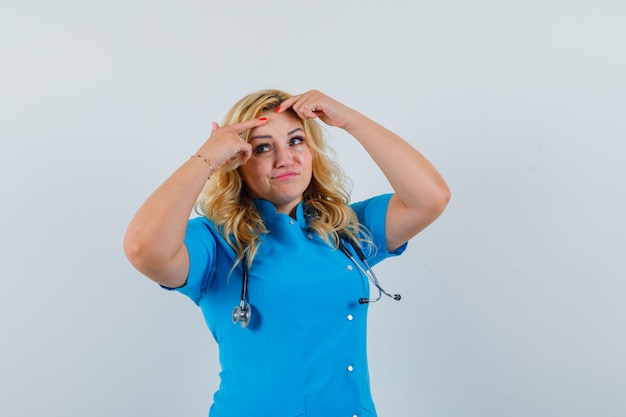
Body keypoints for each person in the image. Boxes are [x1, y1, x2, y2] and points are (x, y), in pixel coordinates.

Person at [123, 89, 450, 417]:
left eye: (296, 141)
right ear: (236, 162)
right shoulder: (216, 241)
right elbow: (143, 248)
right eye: (263, 147)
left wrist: (350, 120)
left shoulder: (343, 229)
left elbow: (430, 197)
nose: (285, 159)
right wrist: (205, 159)